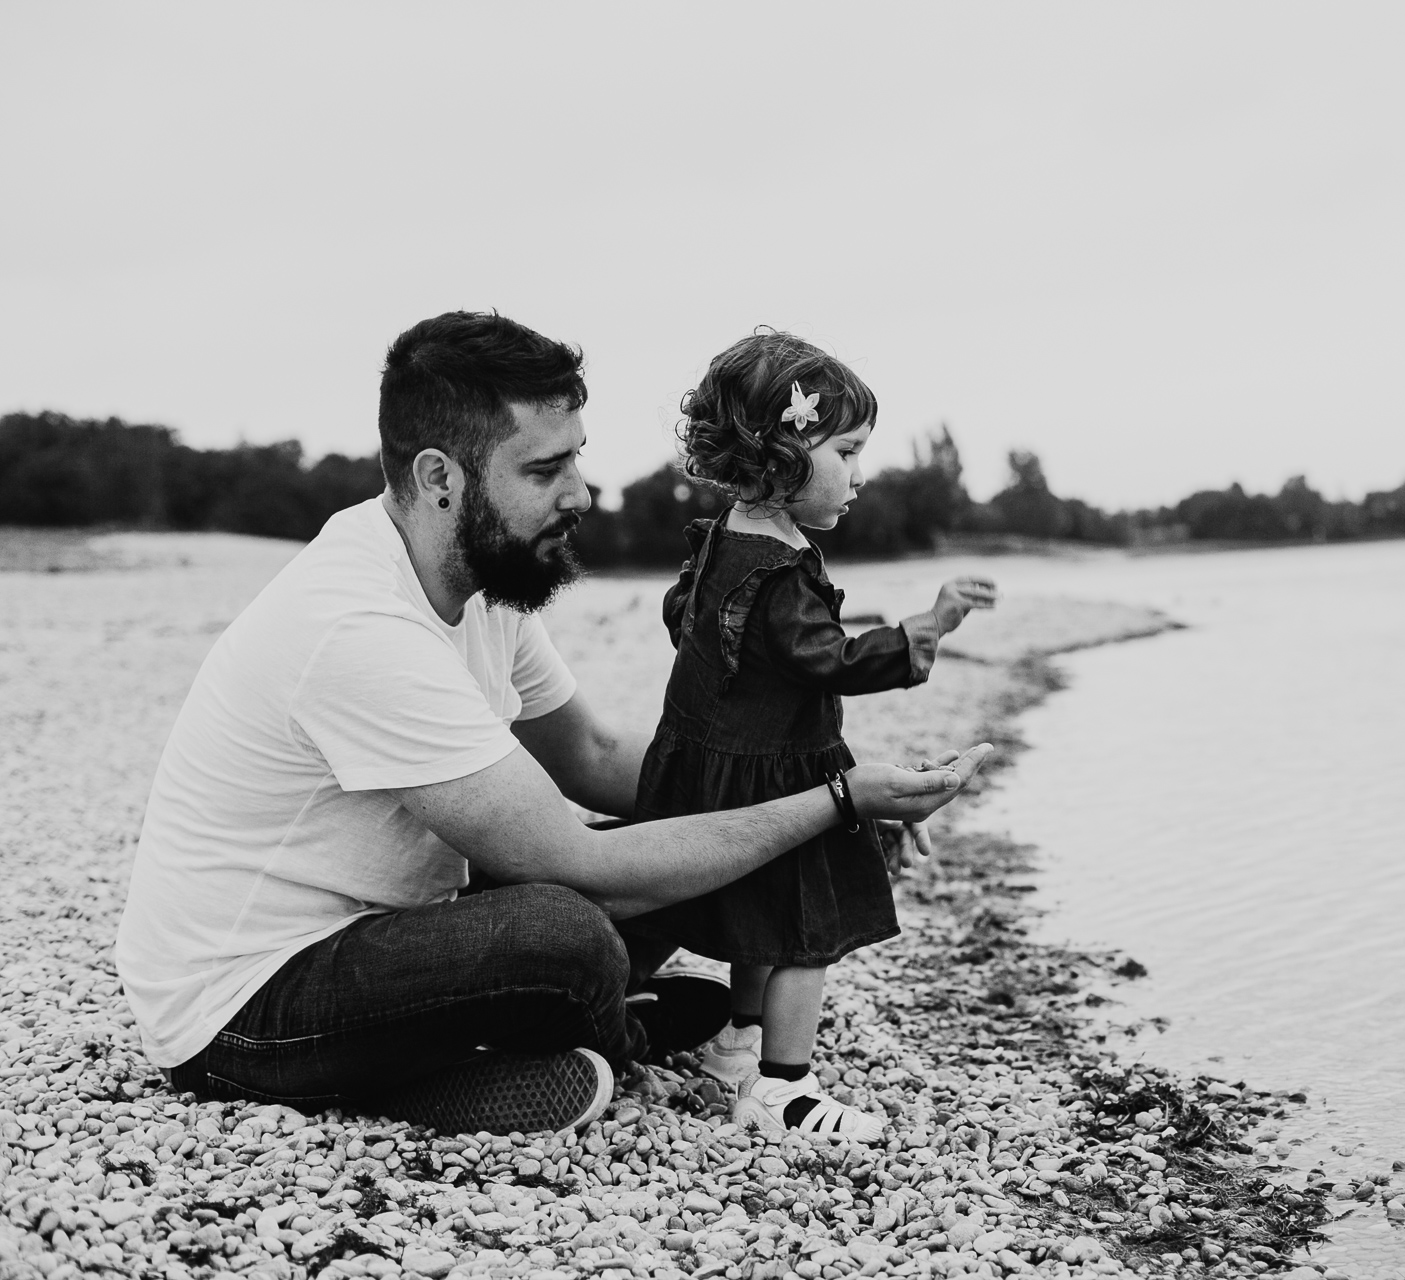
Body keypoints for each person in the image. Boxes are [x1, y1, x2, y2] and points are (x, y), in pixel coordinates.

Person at [112, 311, 991, 1137]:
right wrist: (835, 802)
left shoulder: (481, 578)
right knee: (567, 934)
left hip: (397, 927)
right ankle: (465, 1066)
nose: (580, 493)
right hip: (245, 1003)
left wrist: (821, 801)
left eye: (577, 458)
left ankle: (542, 1036)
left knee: (688, 861)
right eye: (543, 471)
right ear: (438, 478)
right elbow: (579, 869)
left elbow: (596, 754)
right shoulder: (356, 626)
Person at [629, 330, 997, 1143]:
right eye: (849, 450)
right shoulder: (781, 565)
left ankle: (738, 1044)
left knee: (762, 923)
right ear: (787, 451)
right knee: (805, 933)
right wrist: (923, 628)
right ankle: (785, 1091)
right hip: (776, 778)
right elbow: (827, 659)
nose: (860, 474)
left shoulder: (729, 532)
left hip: (719, 760)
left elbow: (680, 616)